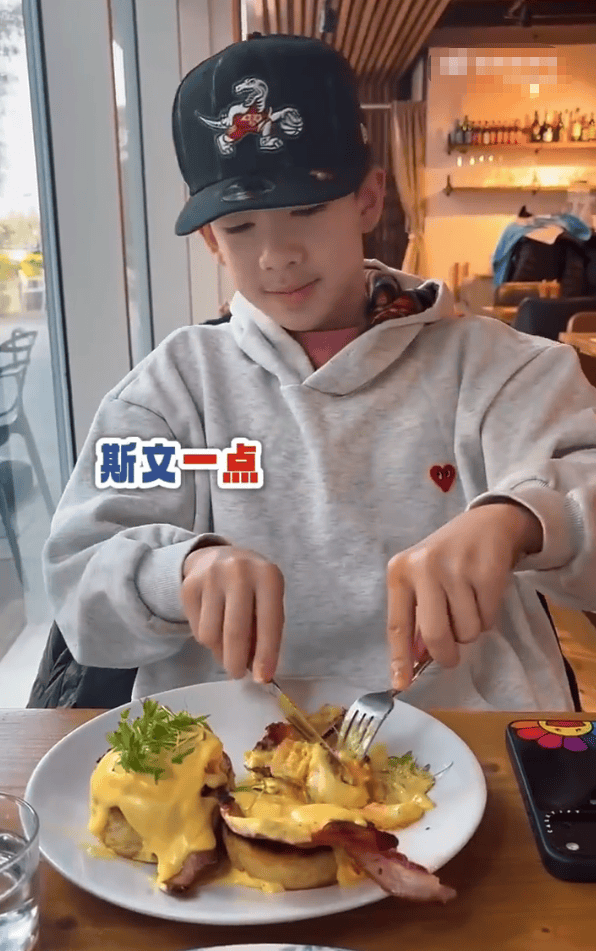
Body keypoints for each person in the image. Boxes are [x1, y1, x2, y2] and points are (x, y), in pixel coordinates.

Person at [41, 33, 596, 711]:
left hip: (466, 736)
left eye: (307, 208)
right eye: (240, 226)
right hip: (229, 748)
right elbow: (82, 589)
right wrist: (179, 570)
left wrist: (519, 520)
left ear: (368, 199)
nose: (277, 255)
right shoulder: (172, 395)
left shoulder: (493, 370)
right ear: (210, 239)